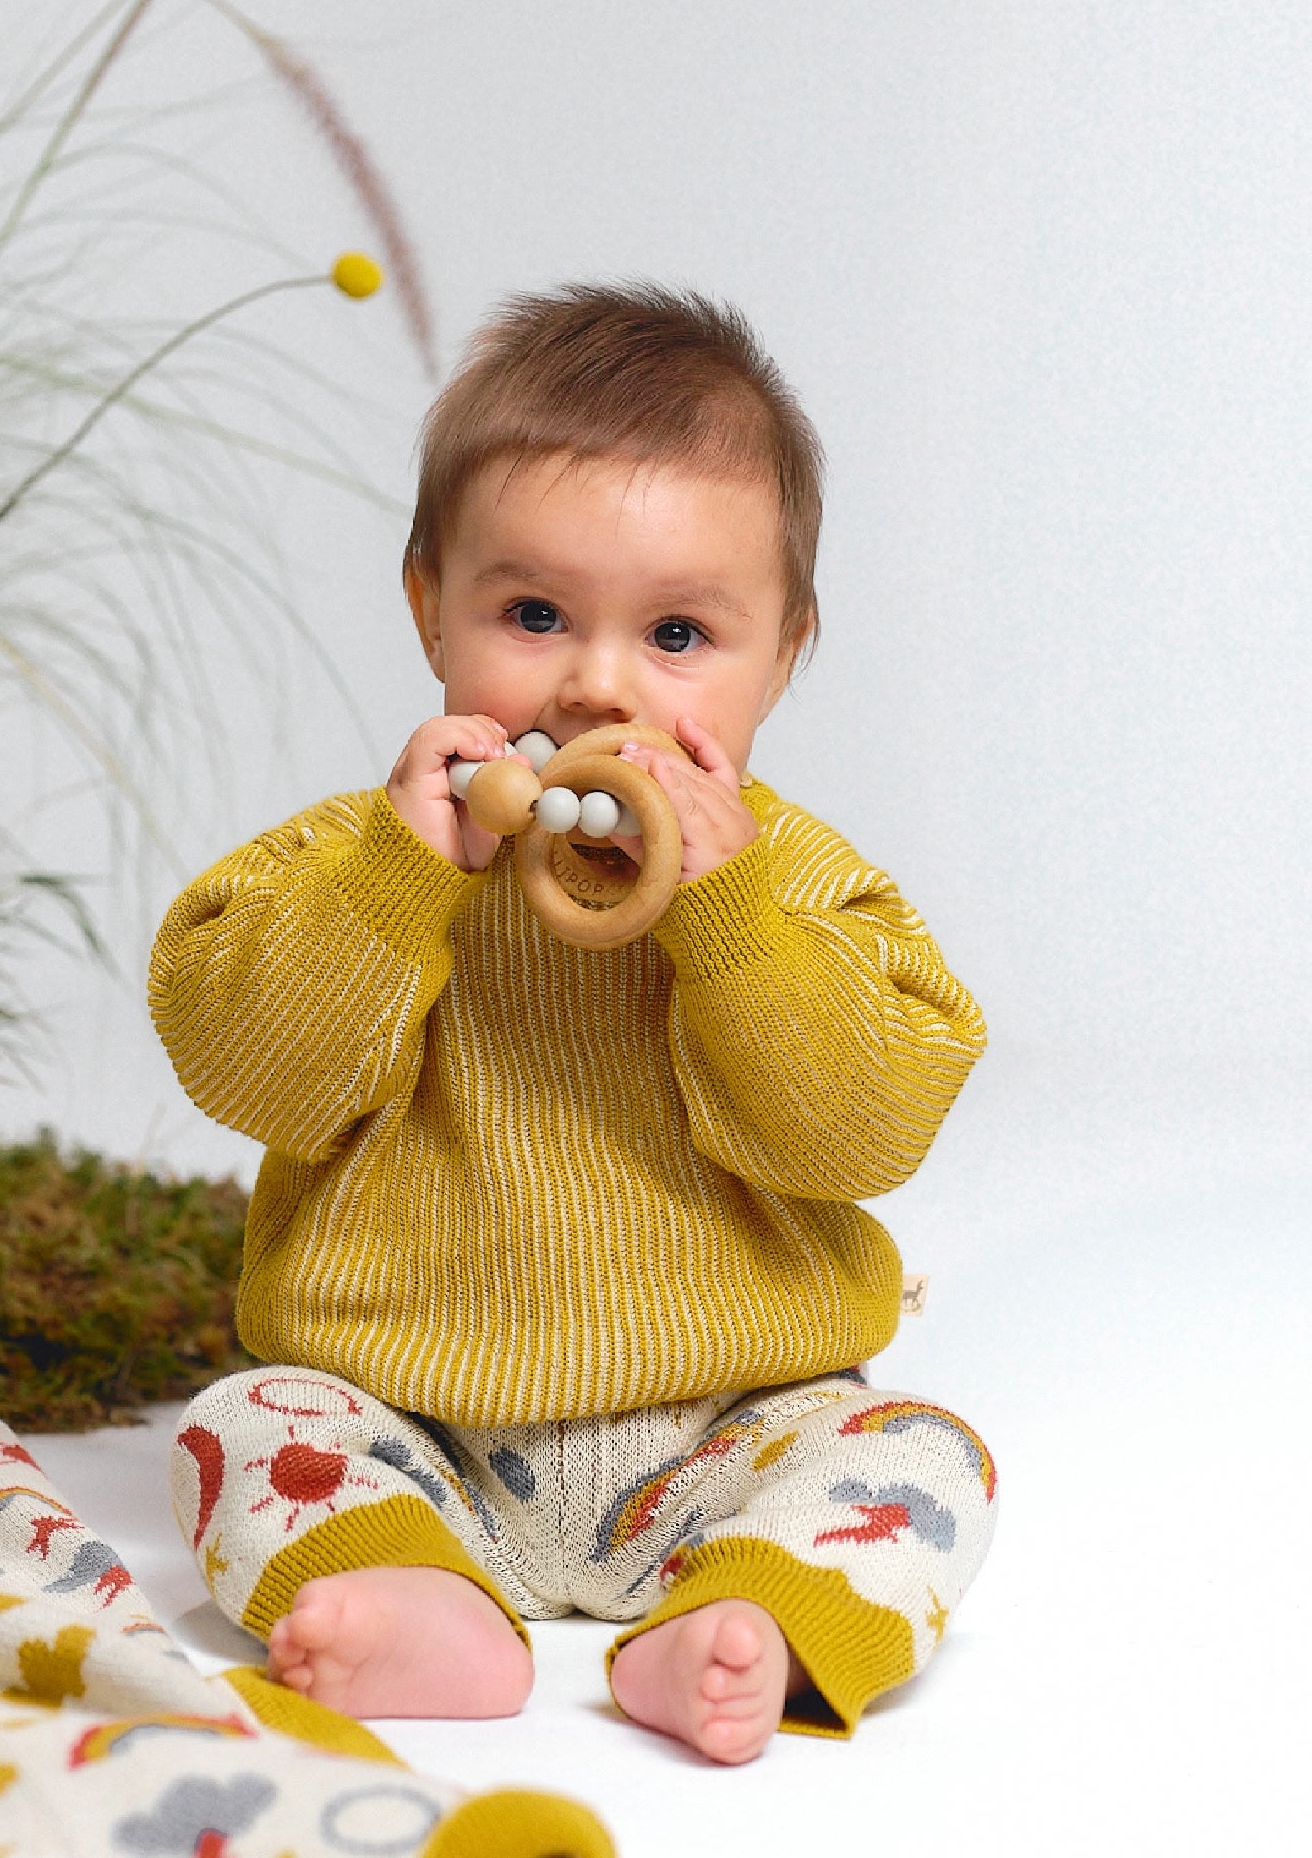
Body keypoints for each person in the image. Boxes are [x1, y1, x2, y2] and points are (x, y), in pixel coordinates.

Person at [150, 283, 995, 1765]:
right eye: (533, 615)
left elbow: (863, 1133)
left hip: (729, 1429)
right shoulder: (359, 860)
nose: (597, 683)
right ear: (431, 605)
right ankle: (415, 1593)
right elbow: (252, 1075)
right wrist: (395, 886)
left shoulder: (799, 887)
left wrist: (731, 923)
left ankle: (741, 1614)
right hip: (411, 1425)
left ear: (783, 652)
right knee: (247, 1424)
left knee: (927, 1458)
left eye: (678, 633)